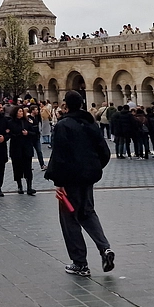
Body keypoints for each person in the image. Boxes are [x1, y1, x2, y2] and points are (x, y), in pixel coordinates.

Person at [43, 91, 114, 277]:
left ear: (66, 105)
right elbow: (104, 152)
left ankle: (80, 263)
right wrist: (93, 168)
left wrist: (58, 181)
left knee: (70, 220)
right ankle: (105, 248)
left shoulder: (63, 125)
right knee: (88, 213)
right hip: (87, 178)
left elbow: (59, 156)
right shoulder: (90, 123)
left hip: (69, 180)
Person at [8, 106, 36, 195]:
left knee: (28, 168)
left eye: (21, 111)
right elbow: (10, 133)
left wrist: (28, 133)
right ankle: (19, 186)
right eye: (19, 111)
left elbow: (35, 133)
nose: (21, 113)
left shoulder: (27, 122)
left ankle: (29, 187)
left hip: (26, 148)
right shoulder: (10, 123)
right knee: (17, 168)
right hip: (16, 148)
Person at [27, 105, 46, 170]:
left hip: (37, 137)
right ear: (32, 111)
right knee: (30, 152)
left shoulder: (37, 116)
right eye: (36, 110)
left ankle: (42, 165)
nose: (37, 111)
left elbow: (39, 124)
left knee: (39, 151)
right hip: (30, 137)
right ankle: (29, 165)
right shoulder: (28, 117)